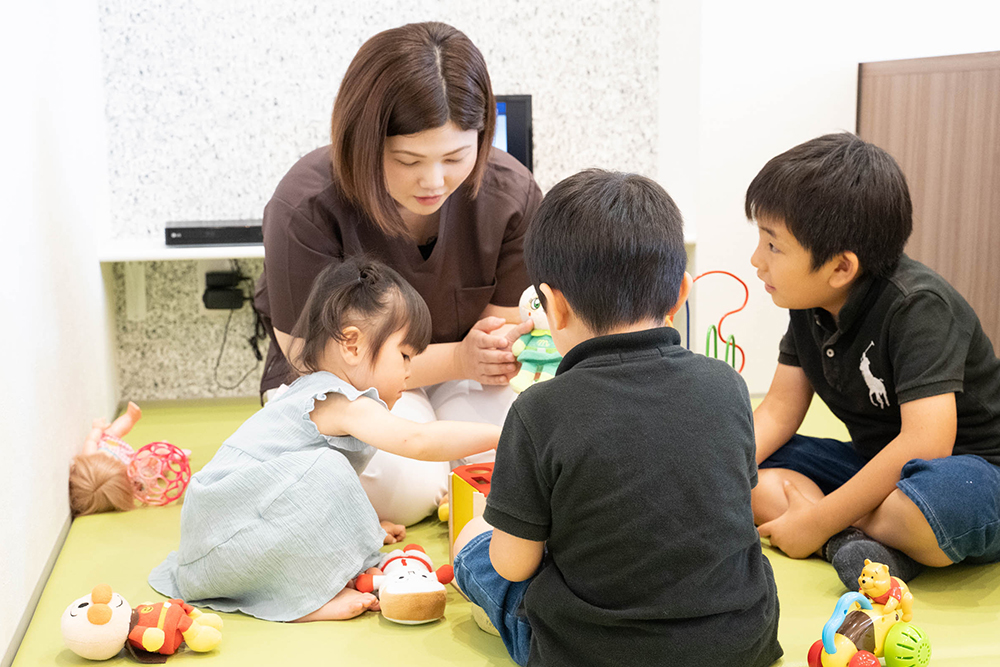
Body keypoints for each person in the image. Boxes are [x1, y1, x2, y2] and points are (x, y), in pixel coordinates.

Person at [451, 170, 783, 667]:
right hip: (737, 646)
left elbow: (514, 564)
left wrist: (489, 526)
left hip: (589, 653)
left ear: (553, 306)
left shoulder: (538, 410)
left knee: (475, 548)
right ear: (679, 295)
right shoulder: (728, 386)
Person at [253, 21, 543, 527]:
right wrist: (458, 357)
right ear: (362, 141)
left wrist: (480, 358)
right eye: (407, 159)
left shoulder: (510, 194)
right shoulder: (305, 205)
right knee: (406, 491)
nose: (434, 181)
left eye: (456, 156)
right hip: (343, 384)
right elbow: (310, 359)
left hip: (462, 373)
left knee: (517, 463)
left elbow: (498, 341)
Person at [149, 258, 501, 622]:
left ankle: (317, 575)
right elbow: (417, 440)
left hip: (223, 535)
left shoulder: (318, 393)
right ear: (351, 344)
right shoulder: (337, 400)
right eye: (405, 355)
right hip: (228, 537)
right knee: (328, 467)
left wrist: (363, 523)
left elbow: (294, 498)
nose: (410, 371)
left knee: (330, 471)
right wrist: (501, 435)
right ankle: (306, 603)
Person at [747, 132, 1000, 590]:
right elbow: (779, 411)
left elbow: (927, 444)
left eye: (773, 246)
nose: (756, 261)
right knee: (745, 473)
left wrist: (818, 518)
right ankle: (863, 549)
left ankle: (832, 530)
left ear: (841, 267)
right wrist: (713, 475)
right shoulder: (809, 304)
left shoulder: (917, 305)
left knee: (937, 506)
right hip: (877, 468)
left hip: (968, 475)